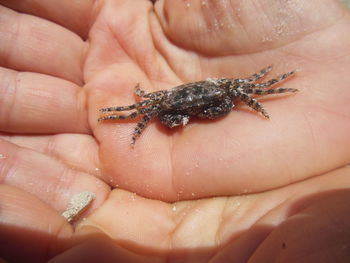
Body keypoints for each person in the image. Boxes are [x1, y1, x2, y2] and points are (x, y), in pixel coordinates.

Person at [0, 0, 350, 262]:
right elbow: (137, 108)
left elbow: (258, 85)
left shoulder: (229, 90)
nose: (192, 118)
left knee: (259, 88)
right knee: (139, 115)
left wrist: (265, 99)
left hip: (215, 88)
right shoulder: (161, 103)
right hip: (174, 99)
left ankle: (288, 86)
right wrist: (132, 124)